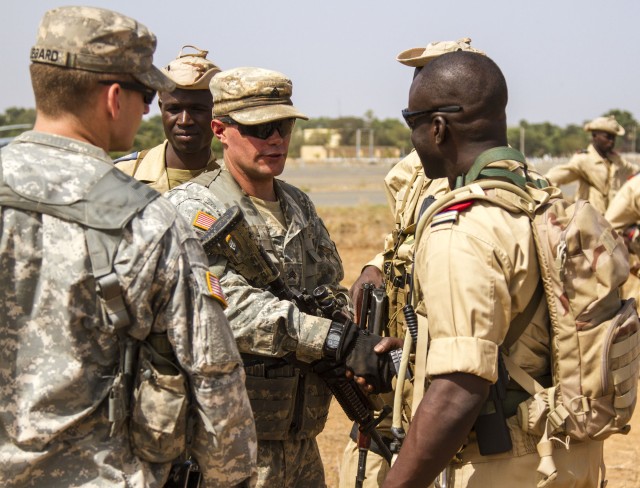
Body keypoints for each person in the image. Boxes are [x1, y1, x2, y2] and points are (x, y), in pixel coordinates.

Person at [0, 6, 256, 487]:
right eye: (147, 94)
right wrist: (233, 477)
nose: (148, 109)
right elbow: (212, 374)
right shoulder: (147, 218)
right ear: (115, 97)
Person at [166, 66, 395, 488]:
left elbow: (327, 285)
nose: (275, 139)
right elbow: (224, 307)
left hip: (300, 442)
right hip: (228, 447)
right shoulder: (191, 208)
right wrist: (331, 340)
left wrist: (357, 343)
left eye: (283, 126)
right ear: (220, 129)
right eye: (260, 128)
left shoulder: (297, 204)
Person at [382, 51, 602, 487]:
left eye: (414, 123)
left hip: (507, 466)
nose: (415, 140)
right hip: (571, 456)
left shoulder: (463, 228)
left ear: (439, 128)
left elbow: (459, 388)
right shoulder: (545, 201)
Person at [338, 38, 483, 488]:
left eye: (432, 74)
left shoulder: (477, 181)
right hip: (398, 375)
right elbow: (404, 240)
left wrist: (414, 342)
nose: (420, 85)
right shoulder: (414, 171)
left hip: (440, 373)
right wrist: (375, 267)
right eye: (417, 75)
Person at [115, 45, 221, 193]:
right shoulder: (120, 176)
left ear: (216, 112)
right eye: (174, 109)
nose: (184, 121)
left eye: (197, 109)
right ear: (161, 108)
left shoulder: (234, 183)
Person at [545, 114, 638, 214]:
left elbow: (634, 171)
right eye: (608, 137)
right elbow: (555, 177)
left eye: (614, 138)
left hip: (611, 220)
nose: (612, 141)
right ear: (594, 136)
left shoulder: (617, 160)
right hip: (590, 220)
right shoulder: (583, 159)